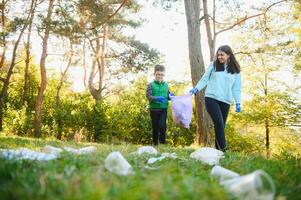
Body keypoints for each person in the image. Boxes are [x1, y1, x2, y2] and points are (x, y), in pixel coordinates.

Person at [189, 45, 242, 152]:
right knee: (219, 123)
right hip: (211, 98)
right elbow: (204, 80)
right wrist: (196, 88)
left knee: (221, 126)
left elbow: (236, 88)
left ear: (229, 55)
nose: (219, 57)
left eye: (222, 55)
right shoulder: (213, 65)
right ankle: (224, 150)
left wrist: (238, 103)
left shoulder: (235, 71)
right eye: (218, 55)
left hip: (226, 101)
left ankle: (218, 151)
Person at [146, 64, 174, 145]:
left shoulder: (166, 85)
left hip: (163, 109)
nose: (160, 76)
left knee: (162, 126)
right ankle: (155, 144)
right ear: (154, 74)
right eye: (158, 74)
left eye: (162, 74)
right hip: (153, 109)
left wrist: (171, 96)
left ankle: (162, 143)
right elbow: (148, 96)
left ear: (164, 75)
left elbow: (168, 96)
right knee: (155, 127)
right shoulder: (150, 85)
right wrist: (157, 98)